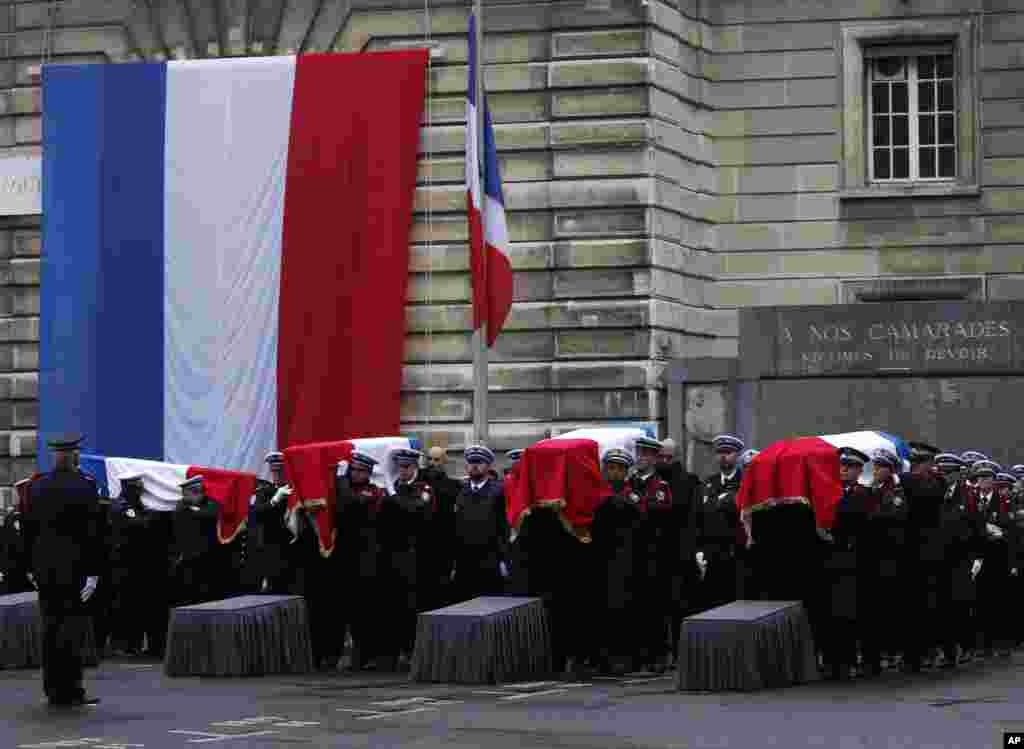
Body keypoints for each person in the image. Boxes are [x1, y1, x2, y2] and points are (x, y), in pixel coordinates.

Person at [21, 434, 102, 707]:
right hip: (74, 569)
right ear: (74, 456)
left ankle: (53, 689)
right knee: (71, 629)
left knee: (50, 628)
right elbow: (92, 532)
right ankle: (72, 689)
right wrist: (93, 572)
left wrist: (30, 566)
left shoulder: (37, 486)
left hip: (44, 568)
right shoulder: (85, 485)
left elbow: (28, 528)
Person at [378, 448, 434, 669]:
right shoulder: (395, 489)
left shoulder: (423, 489)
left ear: (415, 468)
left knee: (413, 606)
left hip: (414, 557)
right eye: (400, 467)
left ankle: (412, 651)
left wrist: (392, 497)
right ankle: (395, 651)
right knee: (393, 606)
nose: (403, 471)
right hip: (393, 556)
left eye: (407, 467)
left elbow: (415, 510)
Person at [591, 448, 646, 675]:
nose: (613, 473)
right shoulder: (596, 494)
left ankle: (624, 658)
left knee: (624, 610)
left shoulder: (631, 497)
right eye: (610, 468)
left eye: (618, 469)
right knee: (600, 611)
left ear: (625, 472)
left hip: (625, 561)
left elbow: (639, 523)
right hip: (599, 560)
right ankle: (601, 658)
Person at [819, 446, 871, 680]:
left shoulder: (863, 494)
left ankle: (850, 660)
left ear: (859, 470)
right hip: (828, 560)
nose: (843, 470)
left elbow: (861, 525)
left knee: (849, 613)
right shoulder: (827, 492)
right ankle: (831, 660)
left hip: (852, 560)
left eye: (849, 467)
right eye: (841, 466)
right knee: (828, 613)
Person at [334, 451, 387, 670]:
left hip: (366, 558)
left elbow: (350, 502)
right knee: (344, 607)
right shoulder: (343, 489)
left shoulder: (371, 492)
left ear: (368, 473)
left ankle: (367, 655)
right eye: (353, 470)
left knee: (365, 609)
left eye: (360, 471)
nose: (356, 474)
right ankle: (347, 653)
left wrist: (339, 478)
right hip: (344, 556)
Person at [858, 448, 907, 676]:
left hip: (890, 556)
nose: (875, 471)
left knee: (890, 606)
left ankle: (892, 651)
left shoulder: (895, 491)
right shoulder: (872, 489)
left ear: (891, 469)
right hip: (872, 557)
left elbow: (893, 517)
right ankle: (875, 654)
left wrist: (870, 517)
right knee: (874, 607)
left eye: (880, 467)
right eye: (875, 467)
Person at [629, 436, 675, 672]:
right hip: (632, 554)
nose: (641, 458)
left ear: (655, 458)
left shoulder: (660, 487)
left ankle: (659, 655)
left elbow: (657, 513)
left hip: (654, 554)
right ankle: (639, 655)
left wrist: (636, 503)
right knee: (636, 607)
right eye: (639, 453)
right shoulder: (630, 484)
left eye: (646, 454)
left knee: (656, 607)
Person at [900, 441, 946, 673]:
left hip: (917, 550)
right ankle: (921, 652)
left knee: (920, 604)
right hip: (924, 550)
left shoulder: (918, 482)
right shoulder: (936, 481)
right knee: (920, 604)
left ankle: (919, 652)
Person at [966, 460, 1015, 659]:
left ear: (994, 481)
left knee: (999, 601)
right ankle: (982, 644)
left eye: (988, 478)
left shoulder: (1003, 501)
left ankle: (1001, 643)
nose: (984, 482)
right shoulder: (972, 498)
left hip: (997, 557)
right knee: (979, 601)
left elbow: (1011, 530)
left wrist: (997, 531)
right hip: (978, 556)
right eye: (981, 478)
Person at [450, 445, 509, 602]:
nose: (474, 466)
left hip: (490, 561)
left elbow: (504, 527)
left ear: (488, 466)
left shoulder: (498, 491)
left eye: (479, 462)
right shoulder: (460, 491)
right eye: (471, 462)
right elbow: (455, 528)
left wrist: (503, 559)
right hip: (465, 562)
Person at [696, 434, 746, 613]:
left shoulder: (745, 482)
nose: (723, 456)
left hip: (736, 556)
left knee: (735, 607)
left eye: (728, 452)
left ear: (738, 455)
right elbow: (699, 519)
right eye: (720, 452)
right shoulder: (708, 483)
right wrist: (699, 550)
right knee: (712, 607)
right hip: (712, 556)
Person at [248, 453, 294, 594]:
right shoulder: (265, 491)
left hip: (293, 547)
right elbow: (256, 513)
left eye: (280, 470)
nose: (277, 474)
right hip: (272, 547)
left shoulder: (295, 488)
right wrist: (274, 500)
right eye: (274, 470)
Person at [171, 476, 221, 606]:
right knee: (190, 595)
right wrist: (196, 511)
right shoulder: (181, 505)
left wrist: (195, 511)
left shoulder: (211, 503)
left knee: (207, 596)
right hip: (188, 558)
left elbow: (212, 514)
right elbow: (181, 514)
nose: (184, 496)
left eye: (188, 493)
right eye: (185, 493)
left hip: (208, 557)